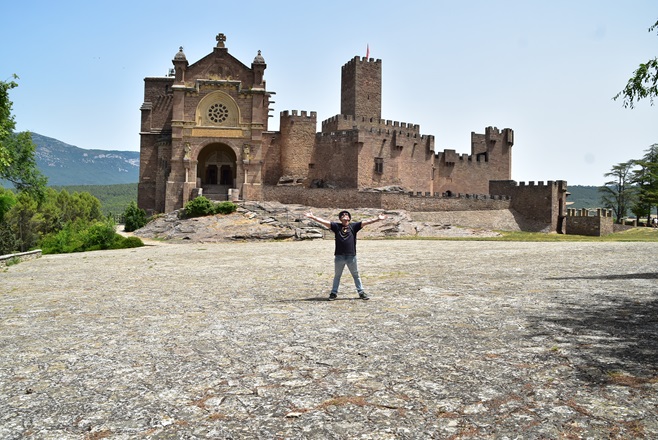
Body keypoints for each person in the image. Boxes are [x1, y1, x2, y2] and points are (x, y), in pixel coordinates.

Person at [304, 210, 386, 301]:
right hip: (339, 256)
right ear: (340, 218)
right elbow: (324, 222)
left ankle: (361, 292)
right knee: (337, 276)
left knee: (356, 275)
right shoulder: (336, 226)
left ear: (349, 218)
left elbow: (366, 222)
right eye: (342, 215)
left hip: (351, 256)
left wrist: (378, 219)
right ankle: (333, 293)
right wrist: (313, 217)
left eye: (346, 215)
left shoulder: (354, 226)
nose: (345, 215)